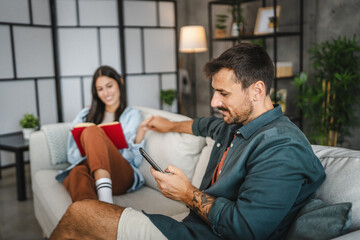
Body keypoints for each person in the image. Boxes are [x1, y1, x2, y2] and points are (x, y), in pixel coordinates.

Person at [50, 43, 326, 240]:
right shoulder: (239, 125)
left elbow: (248, 229)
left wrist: (186, 193)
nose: (214, 102)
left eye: (223, 94)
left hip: (202, 234)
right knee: (84, 211)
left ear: (257, 90)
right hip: (193, 226)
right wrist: (170, 124)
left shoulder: (281, 147)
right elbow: (203, 124)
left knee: (81, 214)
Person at [56, 65, 150, 204]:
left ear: (120, 82)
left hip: (121, 174)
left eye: (109, 86)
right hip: (91, 170)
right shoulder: (85, 115)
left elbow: (135, 161)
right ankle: (92, 216)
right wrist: (92, 148)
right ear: (96, 93)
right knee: (76, 173)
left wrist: (138, 137)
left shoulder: (132, 115)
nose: (106, 93)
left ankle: (106, 201)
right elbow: (72, 156)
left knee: (92, 131)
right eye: (100, 89)